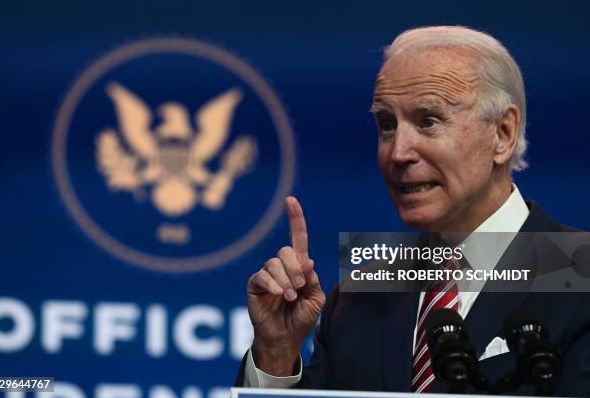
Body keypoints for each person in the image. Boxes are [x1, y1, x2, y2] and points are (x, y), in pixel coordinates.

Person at [234, 26, 590, 395]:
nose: (398, 152)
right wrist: (277, 352)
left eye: (428, 121)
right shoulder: (356, 298)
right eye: (387, 125)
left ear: (502, 133)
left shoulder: (579, 271)